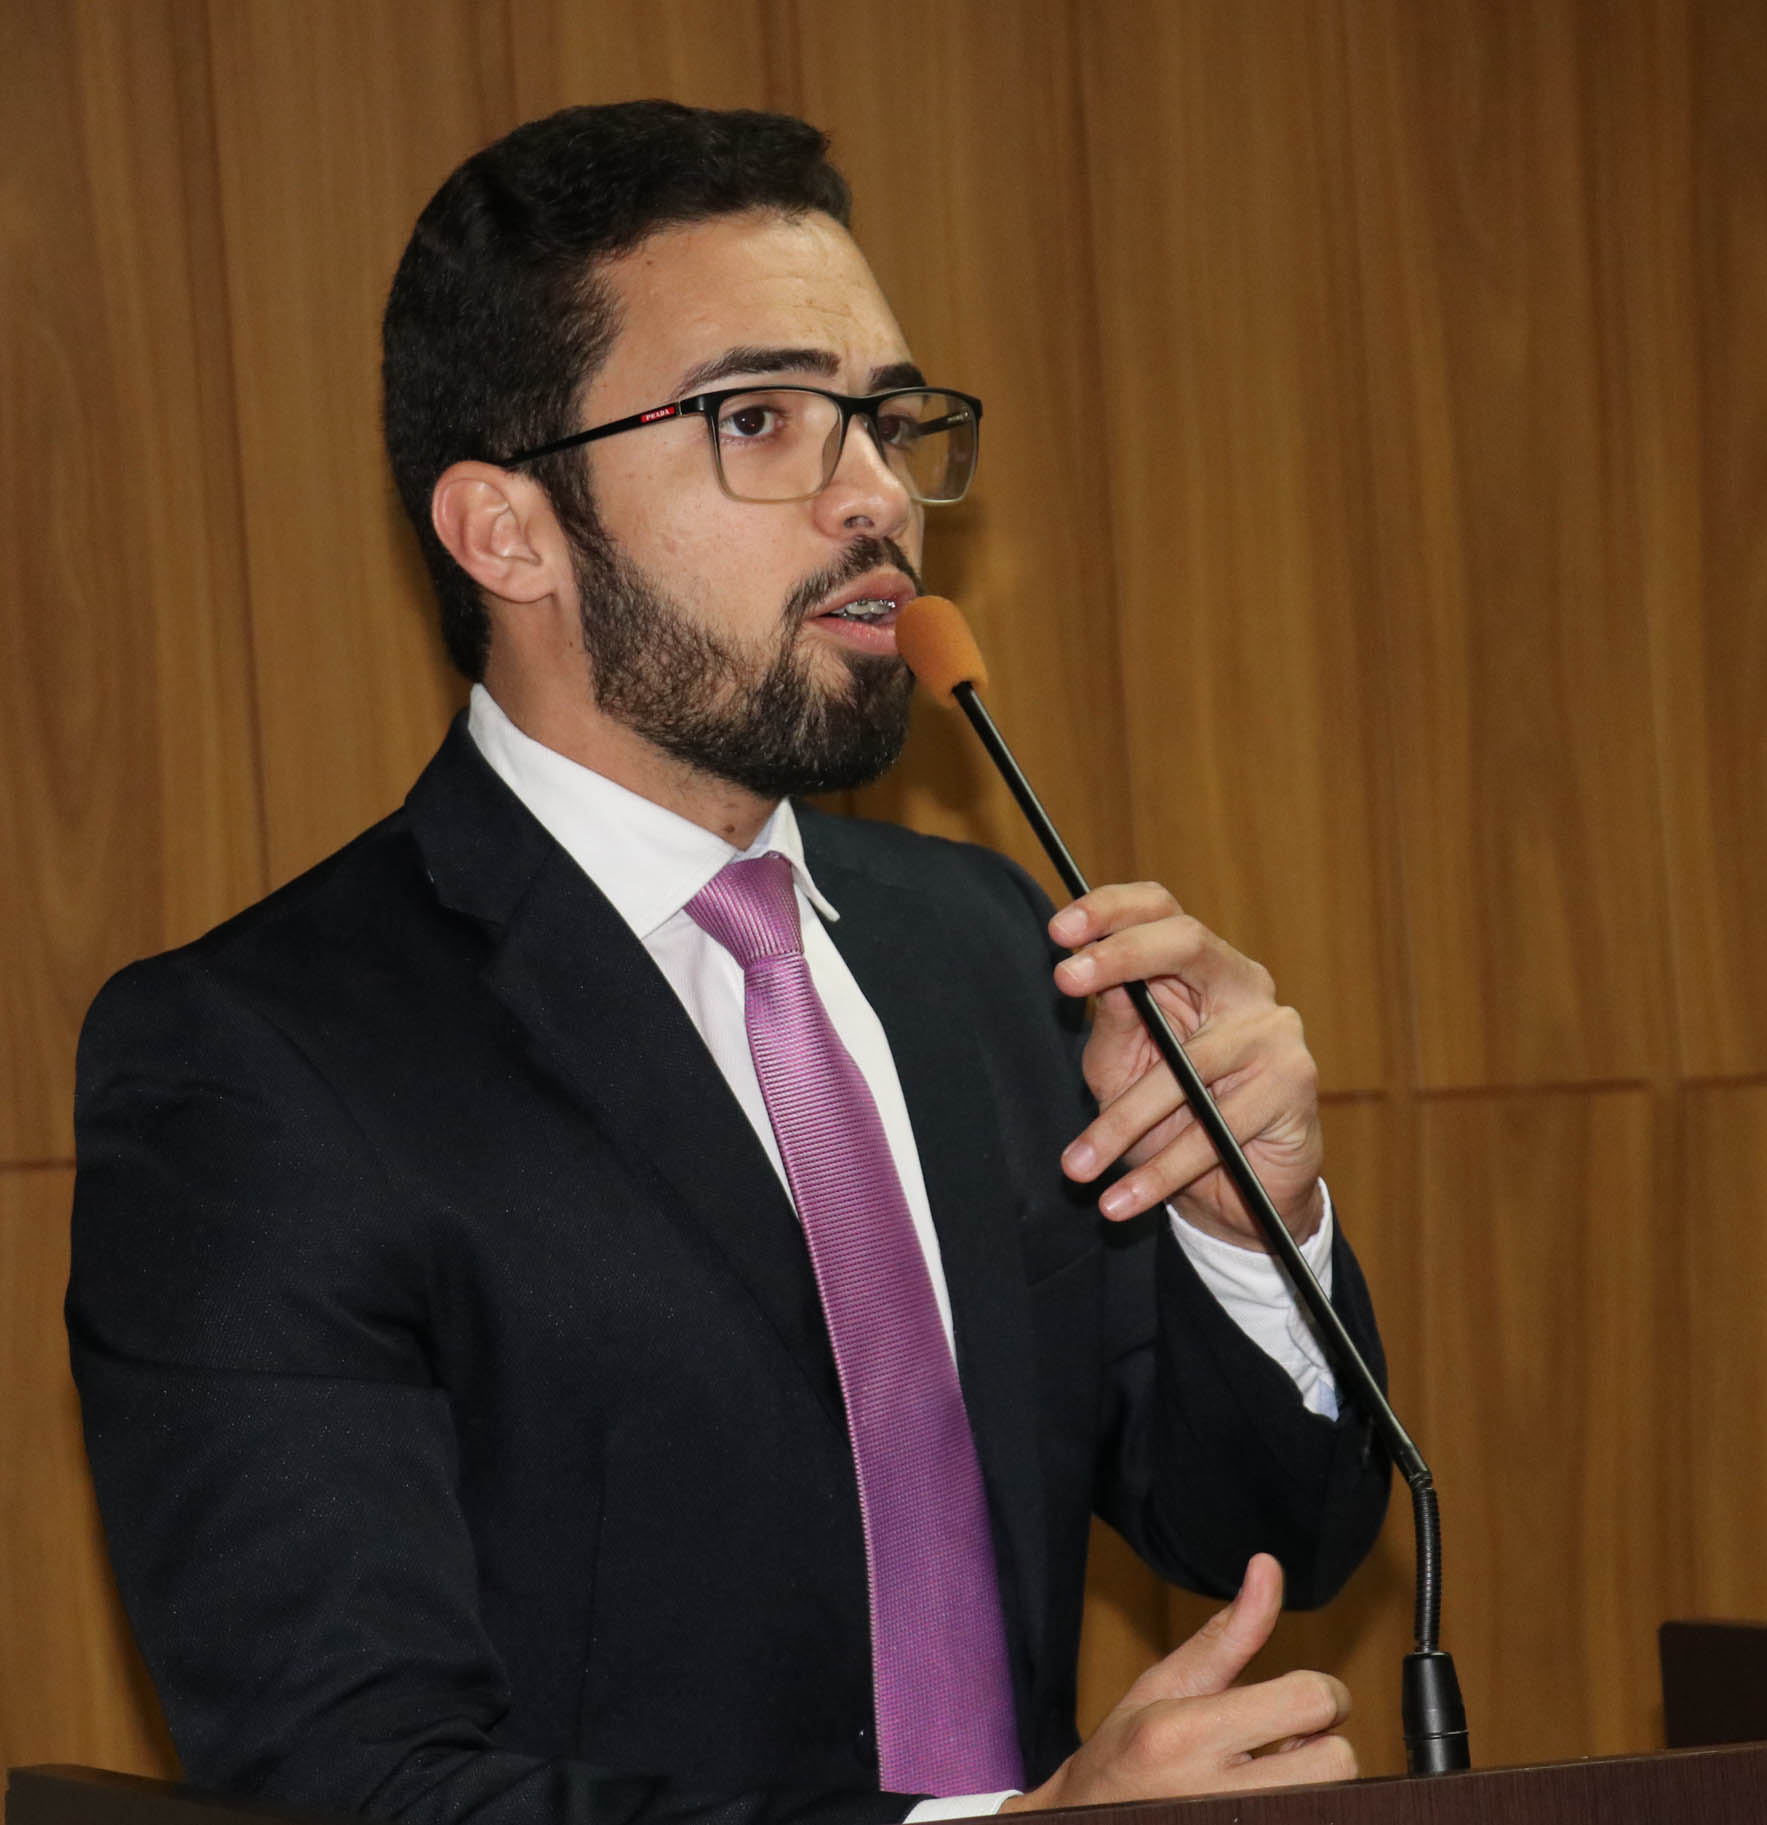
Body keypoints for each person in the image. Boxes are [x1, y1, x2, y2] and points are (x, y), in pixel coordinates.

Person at [67, 100, 1393, 1825]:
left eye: (887, 420)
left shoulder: (990, 945)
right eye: (759, 417)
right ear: (507, 531)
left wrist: (1245, 1224)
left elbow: (1269, 1533)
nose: (877, 496)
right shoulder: (261, 1060)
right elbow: (352, 1779)